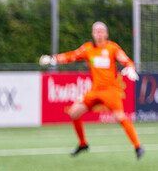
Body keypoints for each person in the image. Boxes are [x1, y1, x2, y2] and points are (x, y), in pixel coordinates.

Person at [39, 22, 143, 159]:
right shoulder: (88, 49)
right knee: (74, 113)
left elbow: (126, 60)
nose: (99, 34)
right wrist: (53, 59)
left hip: (110, 91)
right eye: (96, 31)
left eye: (101, 31)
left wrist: (130, 67)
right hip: (94, 91)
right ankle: (83, 144)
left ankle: (138, 146)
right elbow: (71, 56)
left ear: (106, 34)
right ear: (93, 34)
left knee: (120, 117)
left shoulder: (112, 48)